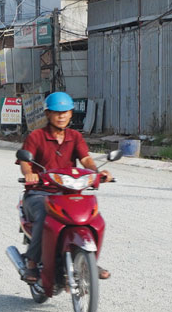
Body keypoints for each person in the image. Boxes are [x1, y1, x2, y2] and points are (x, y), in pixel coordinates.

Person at [17, 91, 112, 284]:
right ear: (47, 114)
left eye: (65, 112)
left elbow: (85, 159)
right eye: (56, 112)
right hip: (39, 193)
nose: (61, 116)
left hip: (69, 192)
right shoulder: (36, 136)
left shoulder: (75, 137)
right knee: (45, 216)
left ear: (71, 114)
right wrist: (29, 174)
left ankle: (89, 262)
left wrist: (96, 173)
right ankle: (32, 262)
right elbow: (25, 161)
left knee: (94, 218)